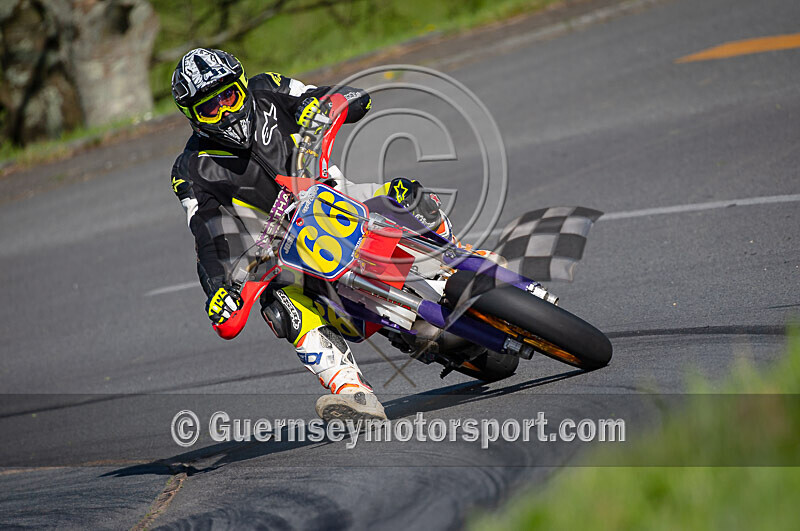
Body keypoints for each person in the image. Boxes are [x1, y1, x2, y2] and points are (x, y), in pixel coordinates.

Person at [169, 48, 455, 422]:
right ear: (193, 117)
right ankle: (353, 392)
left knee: (407, 195)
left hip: (334, 195)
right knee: (278, 307)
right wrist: (220, 290)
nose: (225, 111)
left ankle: (459, 264)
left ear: (242, 86)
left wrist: (321, 106)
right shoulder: (191, 169)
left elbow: (348, 98)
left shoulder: (268, 88)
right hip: (280, 247)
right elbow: (206, 236)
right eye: (210, 107)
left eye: (229, 96)